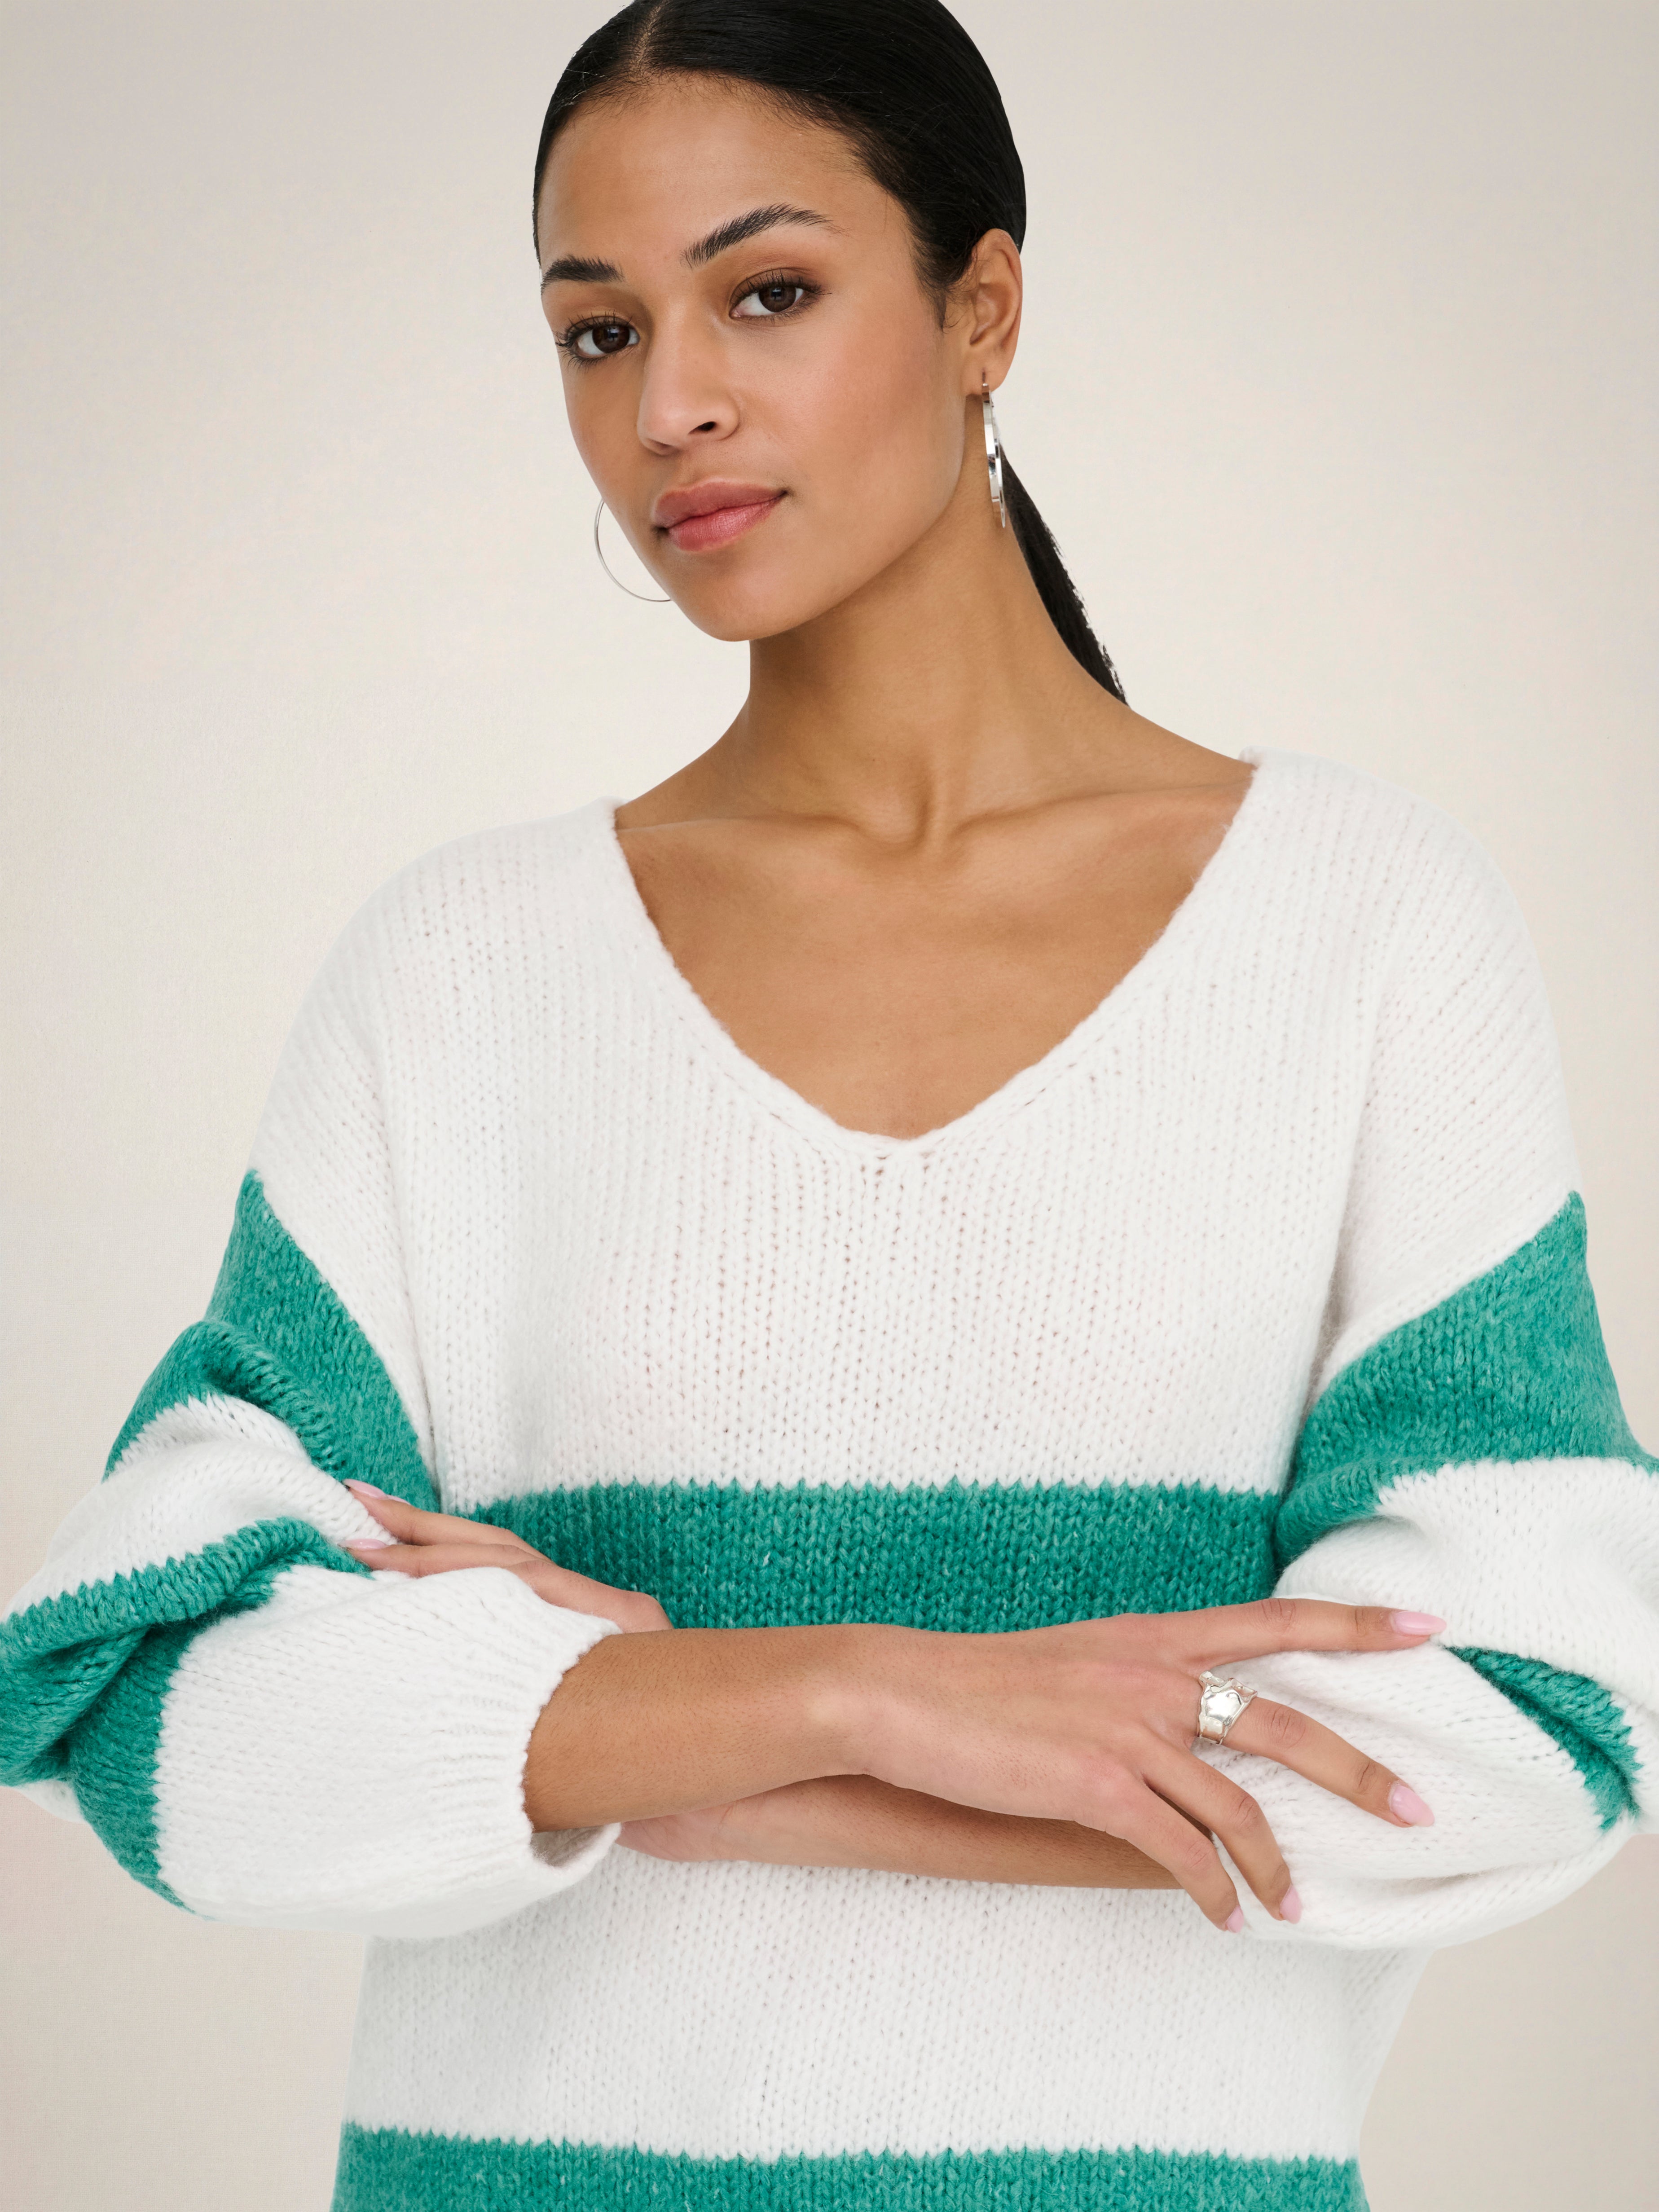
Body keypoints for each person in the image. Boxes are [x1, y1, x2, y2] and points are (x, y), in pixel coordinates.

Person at [3, 3, 1653, 2208]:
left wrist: (653, 1735)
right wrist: (861, 1688)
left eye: (765, 293)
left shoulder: (1361, 929)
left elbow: (1534, 1728)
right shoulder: (461, 975)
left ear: (985, 311)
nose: (667, 403)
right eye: (599, 330)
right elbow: (151, 1701)